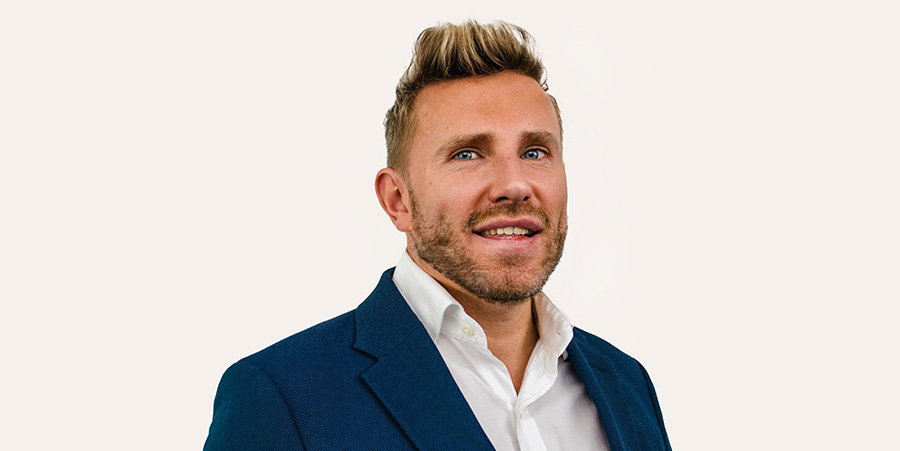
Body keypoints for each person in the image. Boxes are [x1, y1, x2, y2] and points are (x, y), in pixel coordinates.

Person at [203, 20, 671, 451]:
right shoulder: (280, 396)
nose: (514, 185)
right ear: (397, 201)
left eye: (535, 150)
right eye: (468, 154)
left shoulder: (627, 385)